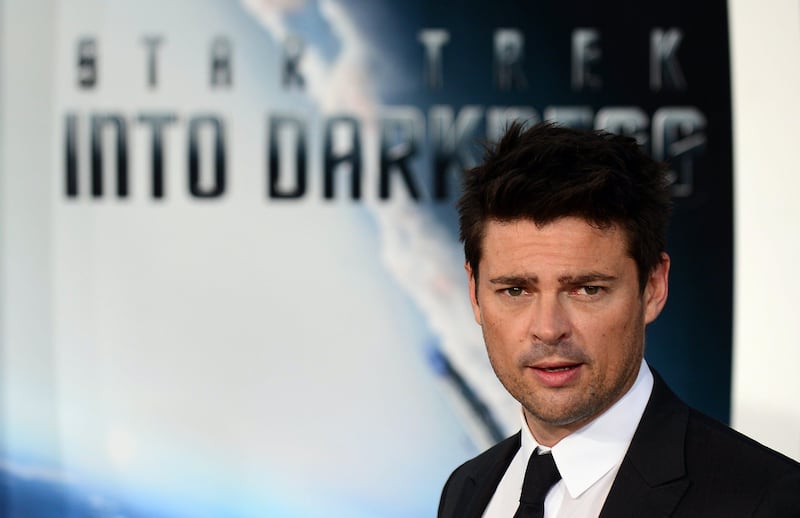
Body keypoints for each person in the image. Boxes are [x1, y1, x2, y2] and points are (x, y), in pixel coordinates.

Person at [437, 121, 800, 517]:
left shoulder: (766, 500)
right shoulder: (466, 490)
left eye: (587, 289)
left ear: (653, 287)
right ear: (474, 293)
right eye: (516, 290)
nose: (547, 328)